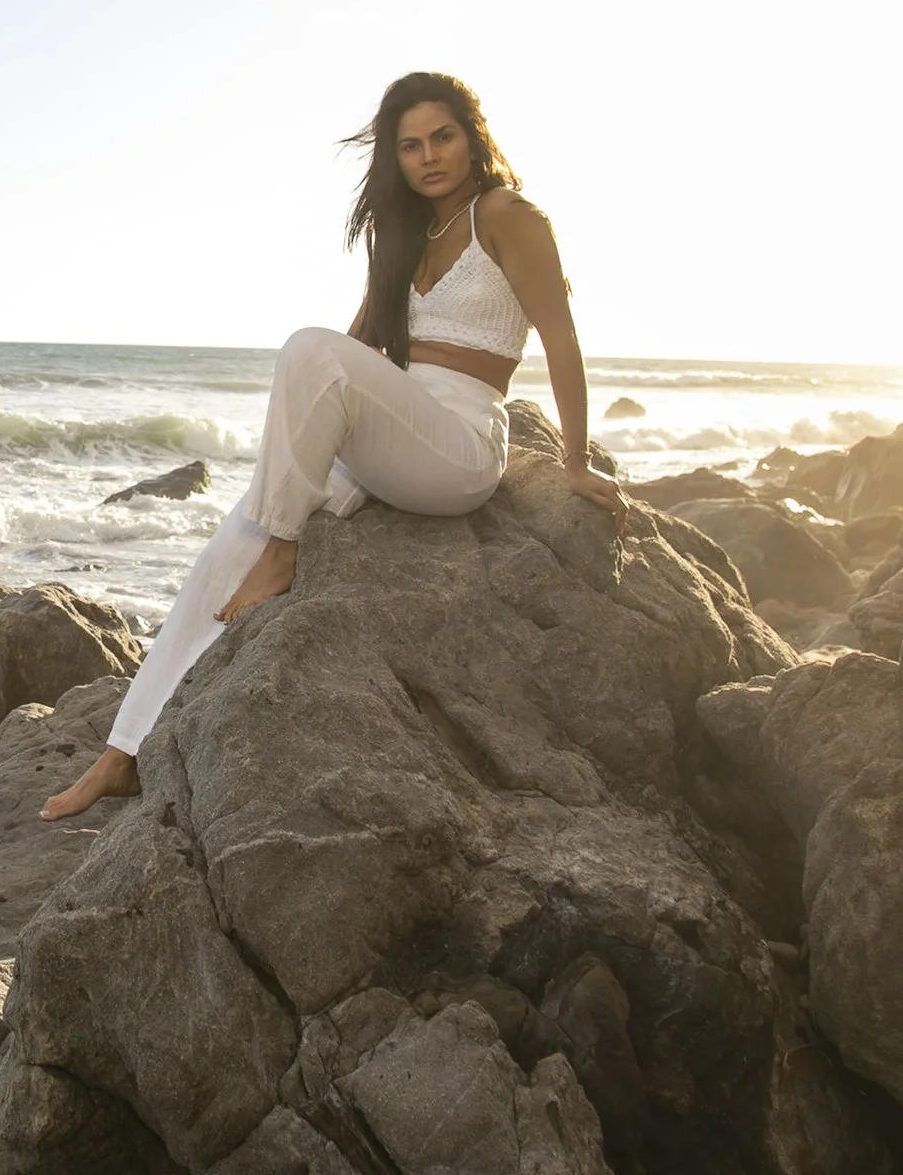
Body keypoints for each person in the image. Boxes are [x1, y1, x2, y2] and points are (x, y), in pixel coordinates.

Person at [39, 71, 627, 822]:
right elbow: (359, 349)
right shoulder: (403, 230)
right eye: (410, 145)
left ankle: (285, 549)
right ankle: (121, 754)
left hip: (459, 443)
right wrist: (302, 433)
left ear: (472, 134)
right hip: (391, 423)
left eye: (442, 136)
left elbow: (561, 338)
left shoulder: (509, 216)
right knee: (231, 540)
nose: (429, 157)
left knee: (302, 368)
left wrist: (575, 462)